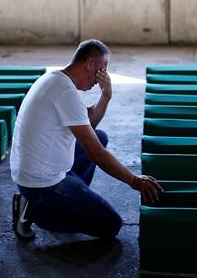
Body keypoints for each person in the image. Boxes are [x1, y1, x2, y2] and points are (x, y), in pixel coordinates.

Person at [10, 39, 163, 240]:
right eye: (103, 68)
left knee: (100, 136)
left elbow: (90, 127)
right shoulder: (65, 91)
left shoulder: (56, 79)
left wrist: (106, 95)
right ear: (90, 63)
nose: (103, 76)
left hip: (35, 173)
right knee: (110, 224)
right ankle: (34, 210)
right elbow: (96, 152)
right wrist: (134, 180)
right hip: (42, 185)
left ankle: (69, 200)